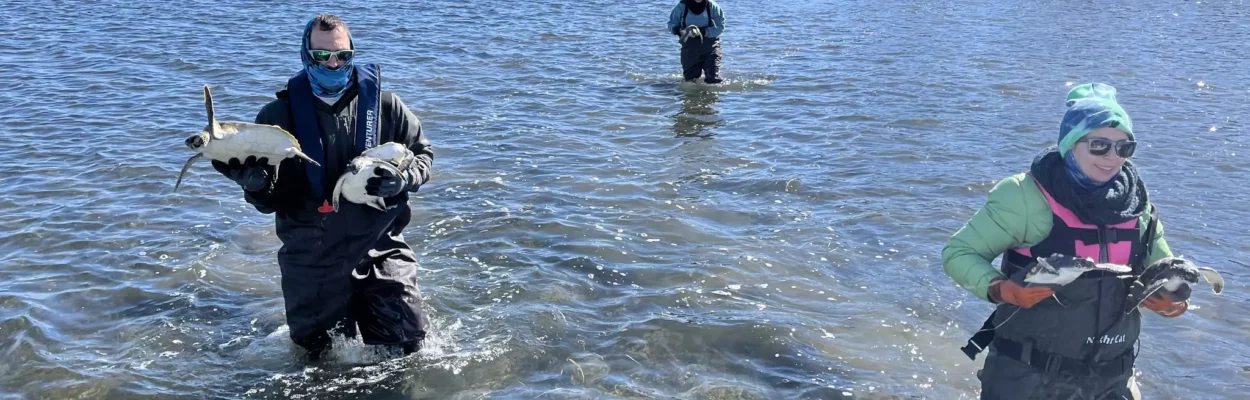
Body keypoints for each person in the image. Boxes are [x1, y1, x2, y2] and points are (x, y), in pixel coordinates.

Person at [941, 83, 1192, 399]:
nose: (1112, 158)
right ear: (1071, 144)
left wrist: (1173, 303)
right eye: (1099, 145)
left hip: (1111, 381)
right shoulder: (1022, 196)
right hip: (1027, 378)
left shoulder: (1136, 206)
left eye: (1124, 148)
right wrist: (1001, 289)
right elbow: (959, 253)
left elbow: (1163, 271)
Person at [210, 13, 433, 360]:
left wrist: (405, 178)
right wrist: (255, 186)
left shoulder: (388, 106)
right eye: (322, 56)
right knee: (317, 361)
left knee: (409, 350)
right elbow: (268, 201)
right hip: (310, 254)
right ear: (306, 54)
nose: (333, 63)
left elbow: (423, 155)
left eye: (342, 56)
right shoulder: (275, 117)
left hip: (381, 246)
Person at [667, 0, 725, 84]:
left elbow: (721, 26)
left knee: (713, 79)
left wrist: (704, 32)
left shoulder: (712, 6)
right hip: (689, 48)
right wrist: (678, 30)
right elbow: (671, 24)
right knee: (690, 81)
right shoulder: (682, 6)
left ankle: (712, 95)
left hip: (711, 47)